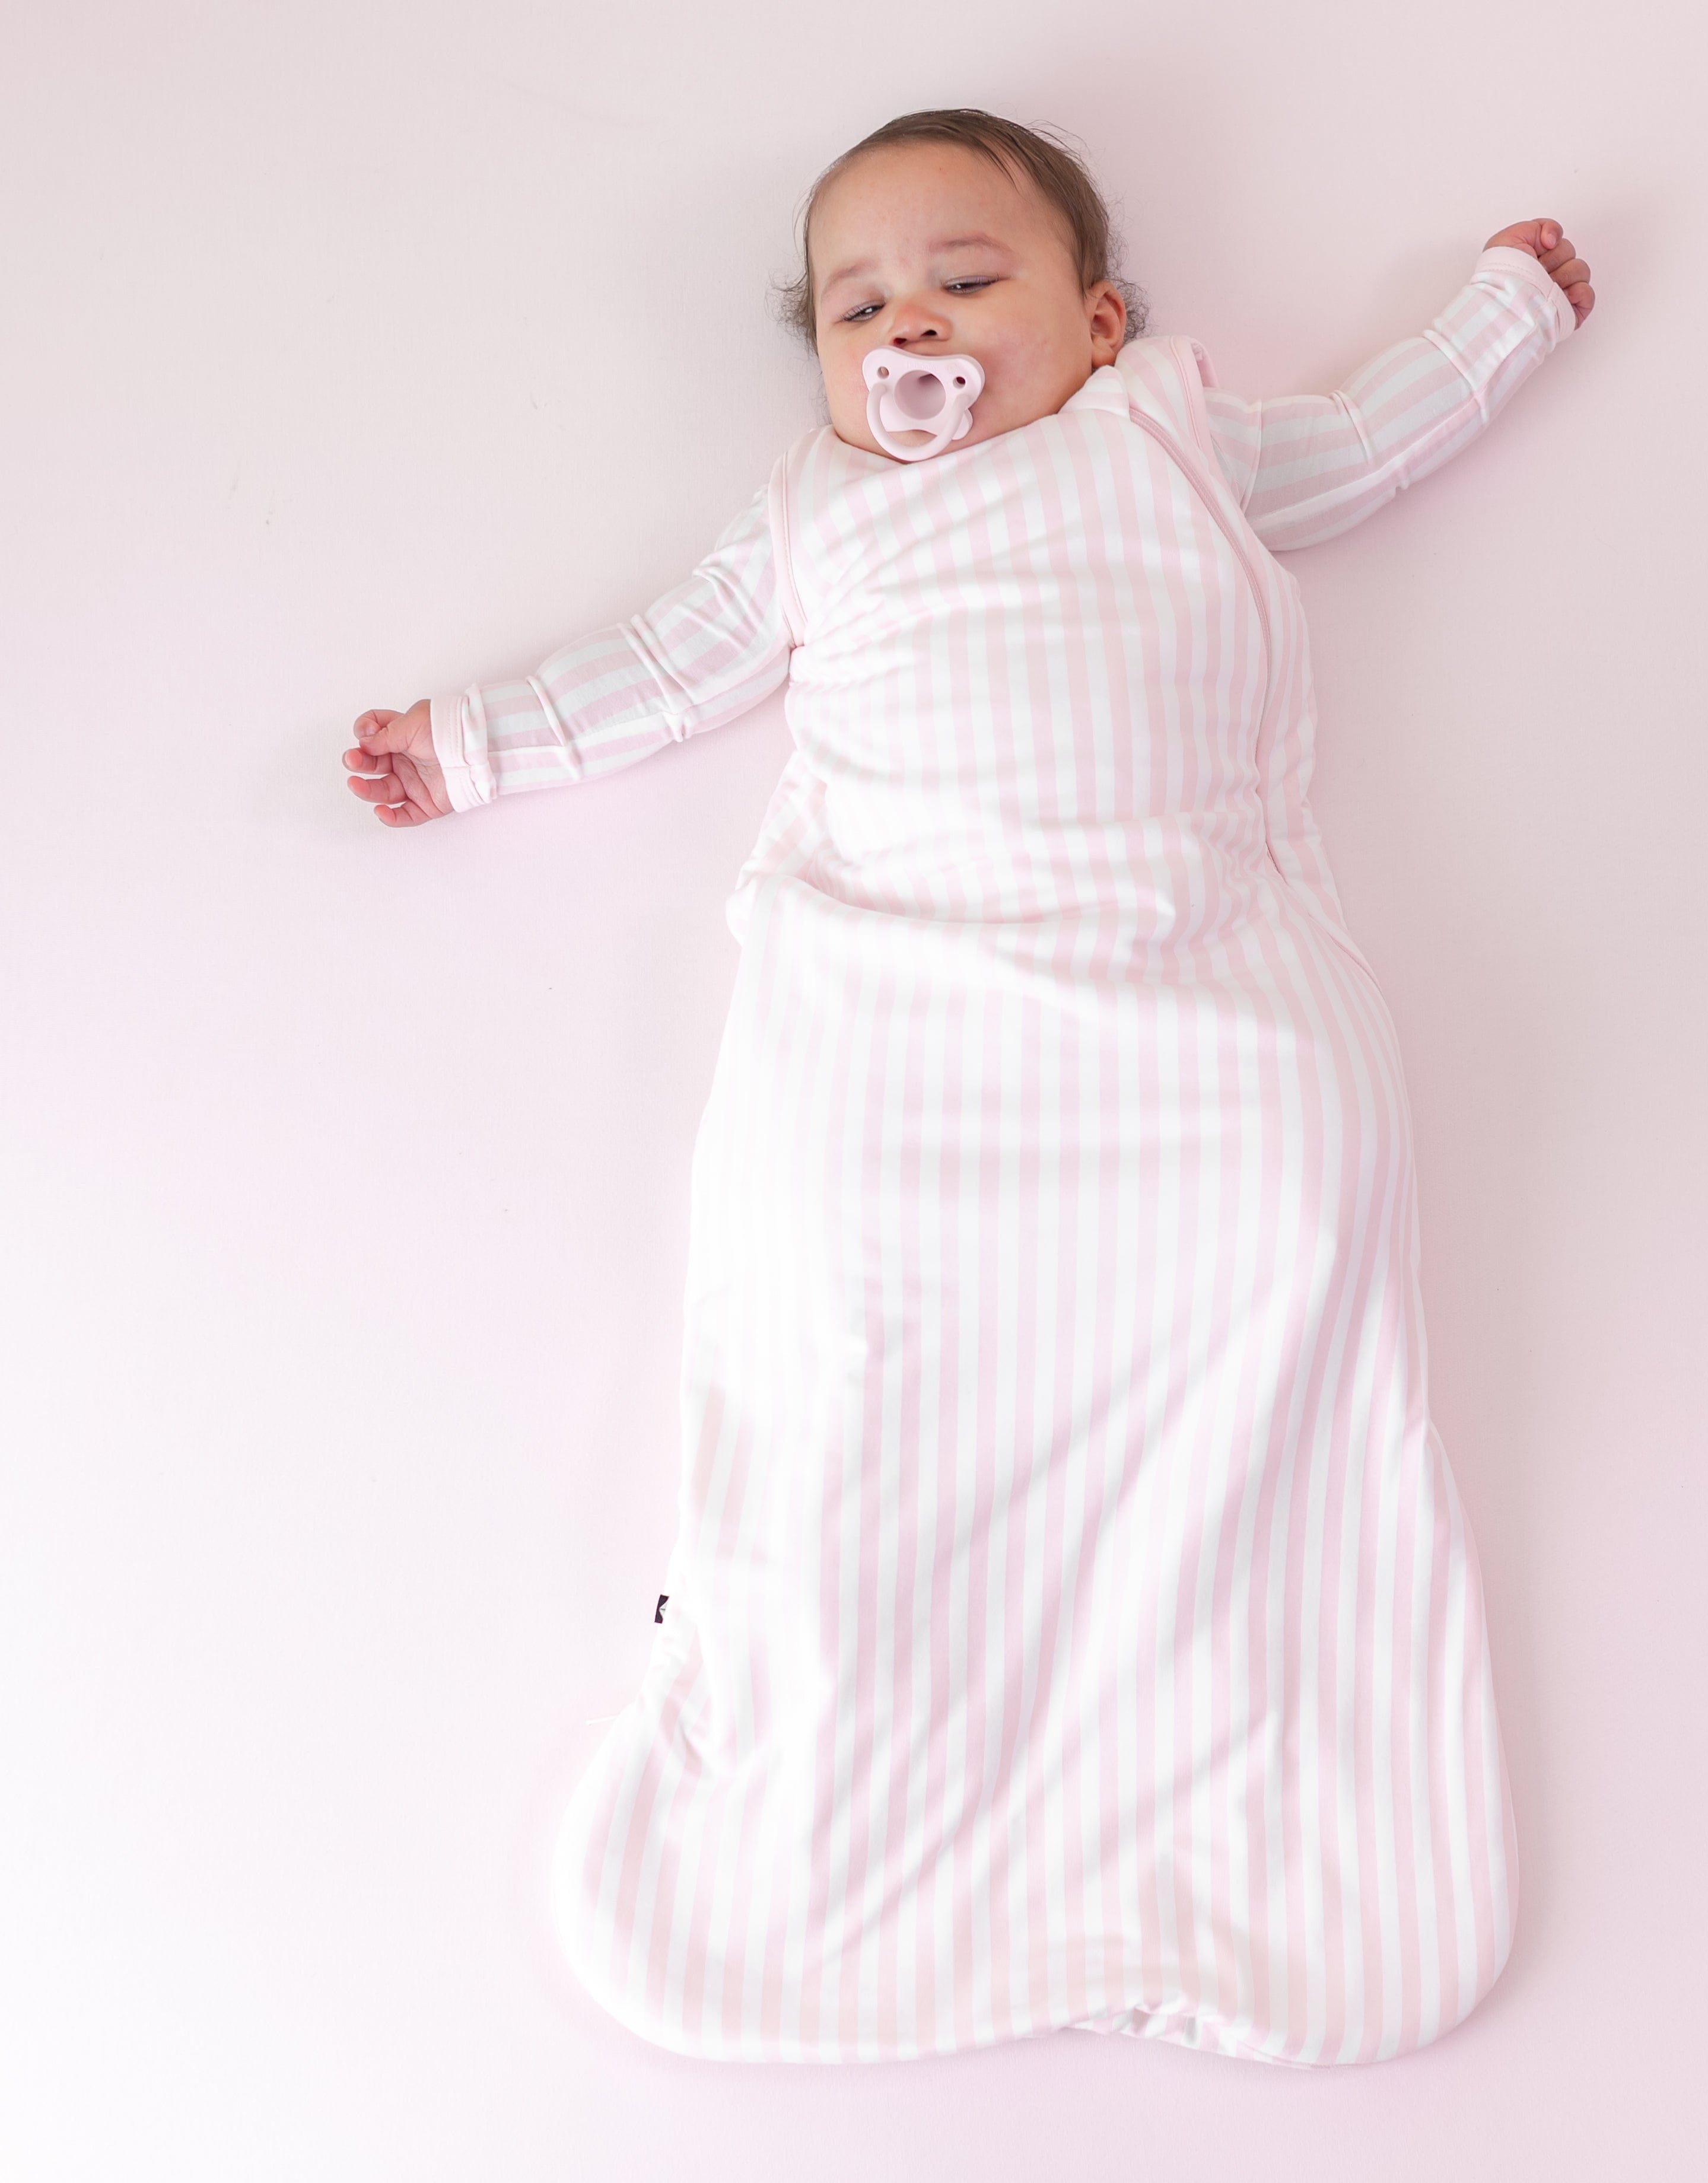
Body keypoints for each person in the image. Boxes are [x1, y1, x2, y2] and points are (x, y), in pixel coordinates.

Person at [341, 107, 1593, 2067]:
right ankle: (845, 1766)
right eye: (857, 308)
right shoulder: (817, 515)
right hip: (902, 1022)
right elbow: (665, 665)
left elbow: (1366, 439)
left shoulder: (1174, 442)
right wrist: (475, 742)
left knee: (1271, 1282)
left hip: (1196, 1004)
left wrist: (1507, 313)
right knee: (850, 1339)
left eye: (966, 279)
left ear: (1097, 326)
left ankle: (1240, 1796)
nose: (910, 325)